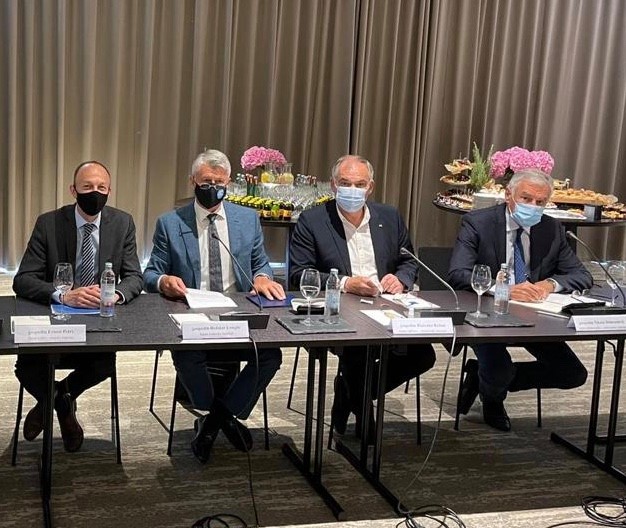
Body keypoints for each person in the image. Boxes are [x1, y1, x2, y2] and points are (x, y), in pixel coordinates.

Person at [143, 149, 284, 463]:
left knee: (271, 355)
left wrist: (262, 276)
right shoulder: (170, 223)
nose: (213, 187)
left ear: (228, 183)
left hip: (238, 312)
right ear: (192, 181)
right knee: (187, 354)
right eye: (206, 181)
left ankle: (215, 419)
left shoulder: (247, 219)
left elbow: (261, 263)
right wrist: (164, 281)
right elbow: (150, 273)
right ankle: (220, 415)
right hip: (193, 314)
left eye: (219, 182)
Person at [289, 154, 436, 440]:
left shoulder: (389, 217)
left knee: (423, 355)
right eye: (345, 183)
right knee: (359, 351)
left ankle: (350, 393)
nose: (352, 190)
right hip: (342, 307)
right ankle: (363, 411)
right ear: (333, 185)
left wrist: (400, 279)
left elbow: (409, 261)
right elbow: (299, 274)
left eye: (359, 184)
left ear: (370, 187)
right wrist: (345, 283)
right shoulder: (313, 220)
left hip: (387, 304)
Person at [13, 161, 143, 452]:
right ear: (73, 190)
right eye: (87, 187)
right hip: (53, 320)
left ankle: (57, 397)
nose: (94, 192)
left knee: (103, 364)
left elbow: (135, 276)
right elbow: (23, 280)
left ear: (109, 191)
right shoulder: (49, 223)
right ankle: (63, 404)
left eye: (101, 187)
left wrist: (114, 294)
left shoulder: (122, 223)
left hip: (99, 318)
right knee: (26, 367)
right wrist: (63, 296)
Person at [448, 168, 591, 431]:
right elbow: (458, 273)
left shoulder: (551, 228)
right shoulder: (478, 222)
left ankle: (483, 378)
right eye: (526, 199)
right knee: (498, 369)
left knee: (573, 374)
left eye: (540, 202)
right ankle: (492, 398)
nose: (533, 206)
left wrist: (550, 284)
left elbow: (581, 275)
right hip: (486, 315)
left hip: (533, 316)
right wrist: (503, 289)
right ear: (508, 195)